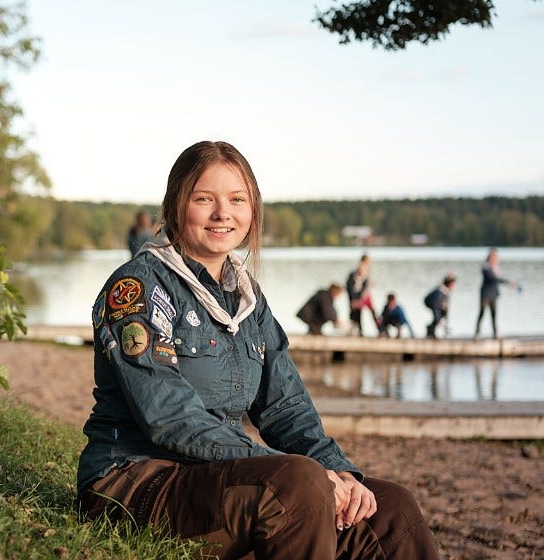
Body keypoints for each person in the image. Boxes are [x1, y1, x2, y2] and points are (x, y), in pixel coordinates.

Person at [79, 141, 439, 559]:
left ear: (253, 210)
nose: (222, 213)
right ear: (176, 205)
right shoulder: (138, 288)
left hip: (212, 477)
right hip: (133, 480)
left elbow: (286, 406)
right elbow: (169, 416)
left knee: (391, 508)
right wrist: (300, 472)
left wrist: (339, 470)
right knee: (298, 484)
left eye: (237, 199)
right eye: (204, 199)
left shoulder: (248, 300)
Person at [474, 247, 517, 340]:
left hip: (493, 294)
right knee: (481, 313)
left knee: (494, 314)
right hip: (485, 294)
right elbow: (492, 278)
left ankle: (495, 334)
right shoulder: (485, 267)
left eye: (496, 256)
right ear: (490, 256)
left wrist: (508, 283)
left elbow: (497, 279)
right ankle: (477, 333)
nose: (495, 258)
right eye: (493, 256)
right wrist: (508, 283)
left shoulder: (495, 267)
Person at [344, 254, 379, 336]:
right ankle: (359, 330)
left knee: (367, 312)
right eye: (368, 260)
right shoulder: (358, 270)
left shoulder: (366, 269)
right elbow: (353, 285)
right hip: (360, 296)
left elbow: (365, 284)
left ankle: (361, 330)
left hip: (363, 295)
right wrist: (354, 298)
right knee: (357, 312)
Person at [423, 274, 456, 339]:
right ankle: (430, 330)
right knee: (437, 317)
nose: (454, 287)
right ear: (449, 284)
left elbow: (445, 305)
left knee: (442, 314)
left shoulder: (446, 290)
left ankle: (431, 329)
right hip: (430, 302)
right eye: (453, 285)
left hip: (436, 304)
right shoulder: (439, 292)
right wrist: (439, 320)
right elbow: (435, 306)